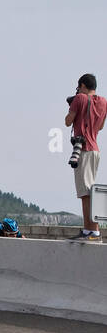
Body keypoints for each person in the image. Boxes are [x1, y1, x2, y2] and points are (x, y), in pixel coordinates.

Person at [65, 73, 106, 240]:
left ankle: (91, 231)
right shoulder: (103, 102)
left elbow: (68, 121)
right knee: (90, 189)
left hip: (83, 148)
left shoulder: (79, 98)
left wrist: (72, 106)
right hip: (95, 149)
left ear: (82, 85)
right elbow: (100, 126)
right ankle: (90, 229)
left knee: (85, 192)